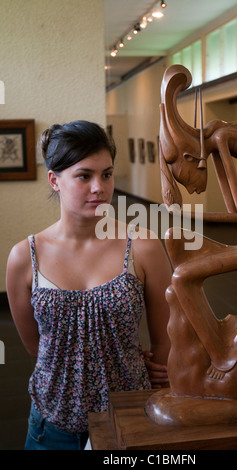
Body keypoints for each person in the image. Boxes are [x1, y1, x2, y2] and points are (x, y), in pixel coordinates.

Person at [6, 120, 171, 450]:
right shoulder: (26, 257)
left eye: (107, 174)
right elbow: (37, 347)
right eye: (84, 176)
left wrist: (161, 374)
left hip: (128, 416)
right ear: (55, 180)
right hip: (53, 423)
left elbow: (166, 336)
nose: (100, 187)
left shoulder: (142, 245)